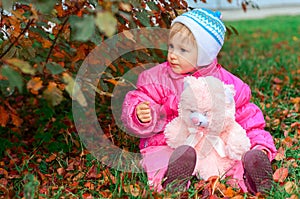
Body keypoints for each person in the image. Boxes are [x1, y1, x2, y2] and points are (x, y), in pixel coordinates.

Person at [121, 8, 277, 194]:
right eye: (171, 46)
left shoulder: (226, 83)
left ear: (205, 54)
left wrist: (259, 143)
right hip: (171, 141)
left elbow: (246, 116)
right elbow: (139, 98)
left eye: (182, 50)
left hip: (212, 145)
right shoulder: (157, 78)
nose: (172, 54)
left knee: (234, 157)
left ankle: (253, 176)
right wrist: (140, 113)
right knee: (159, 157)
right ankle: (171, 179)